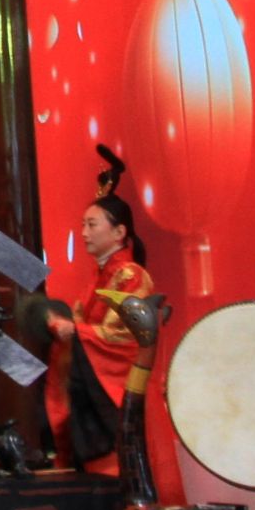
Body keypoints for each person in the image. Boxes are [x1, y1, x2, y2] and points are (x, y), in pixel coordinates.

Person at [44, 145, 160, 475]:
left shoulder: (132, 276)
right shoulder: (99, 278)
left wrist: (75, 331)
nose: (84, 233)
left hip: (121, 392)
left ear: (120, 232)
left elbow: (125, 339)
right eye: (83, 225)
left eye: (92, 225)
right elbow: (86, 324)